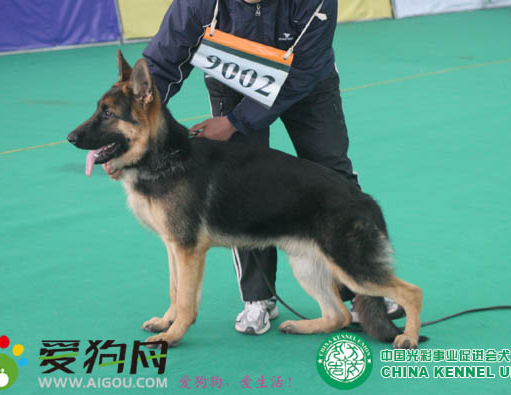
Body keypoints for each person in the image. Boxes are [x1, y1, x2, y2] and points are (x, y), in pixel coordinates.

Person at [108, 0, 403, 334]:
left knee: (332, 174)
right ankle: (258, 298)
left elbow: (303, 72)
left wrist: (235, 122)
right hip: (231, 83)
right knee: (237, 186)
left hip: (307, 81)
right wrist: (129, 138)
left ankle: (364, 291)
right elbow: (160, 66)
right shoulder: (197, 3)